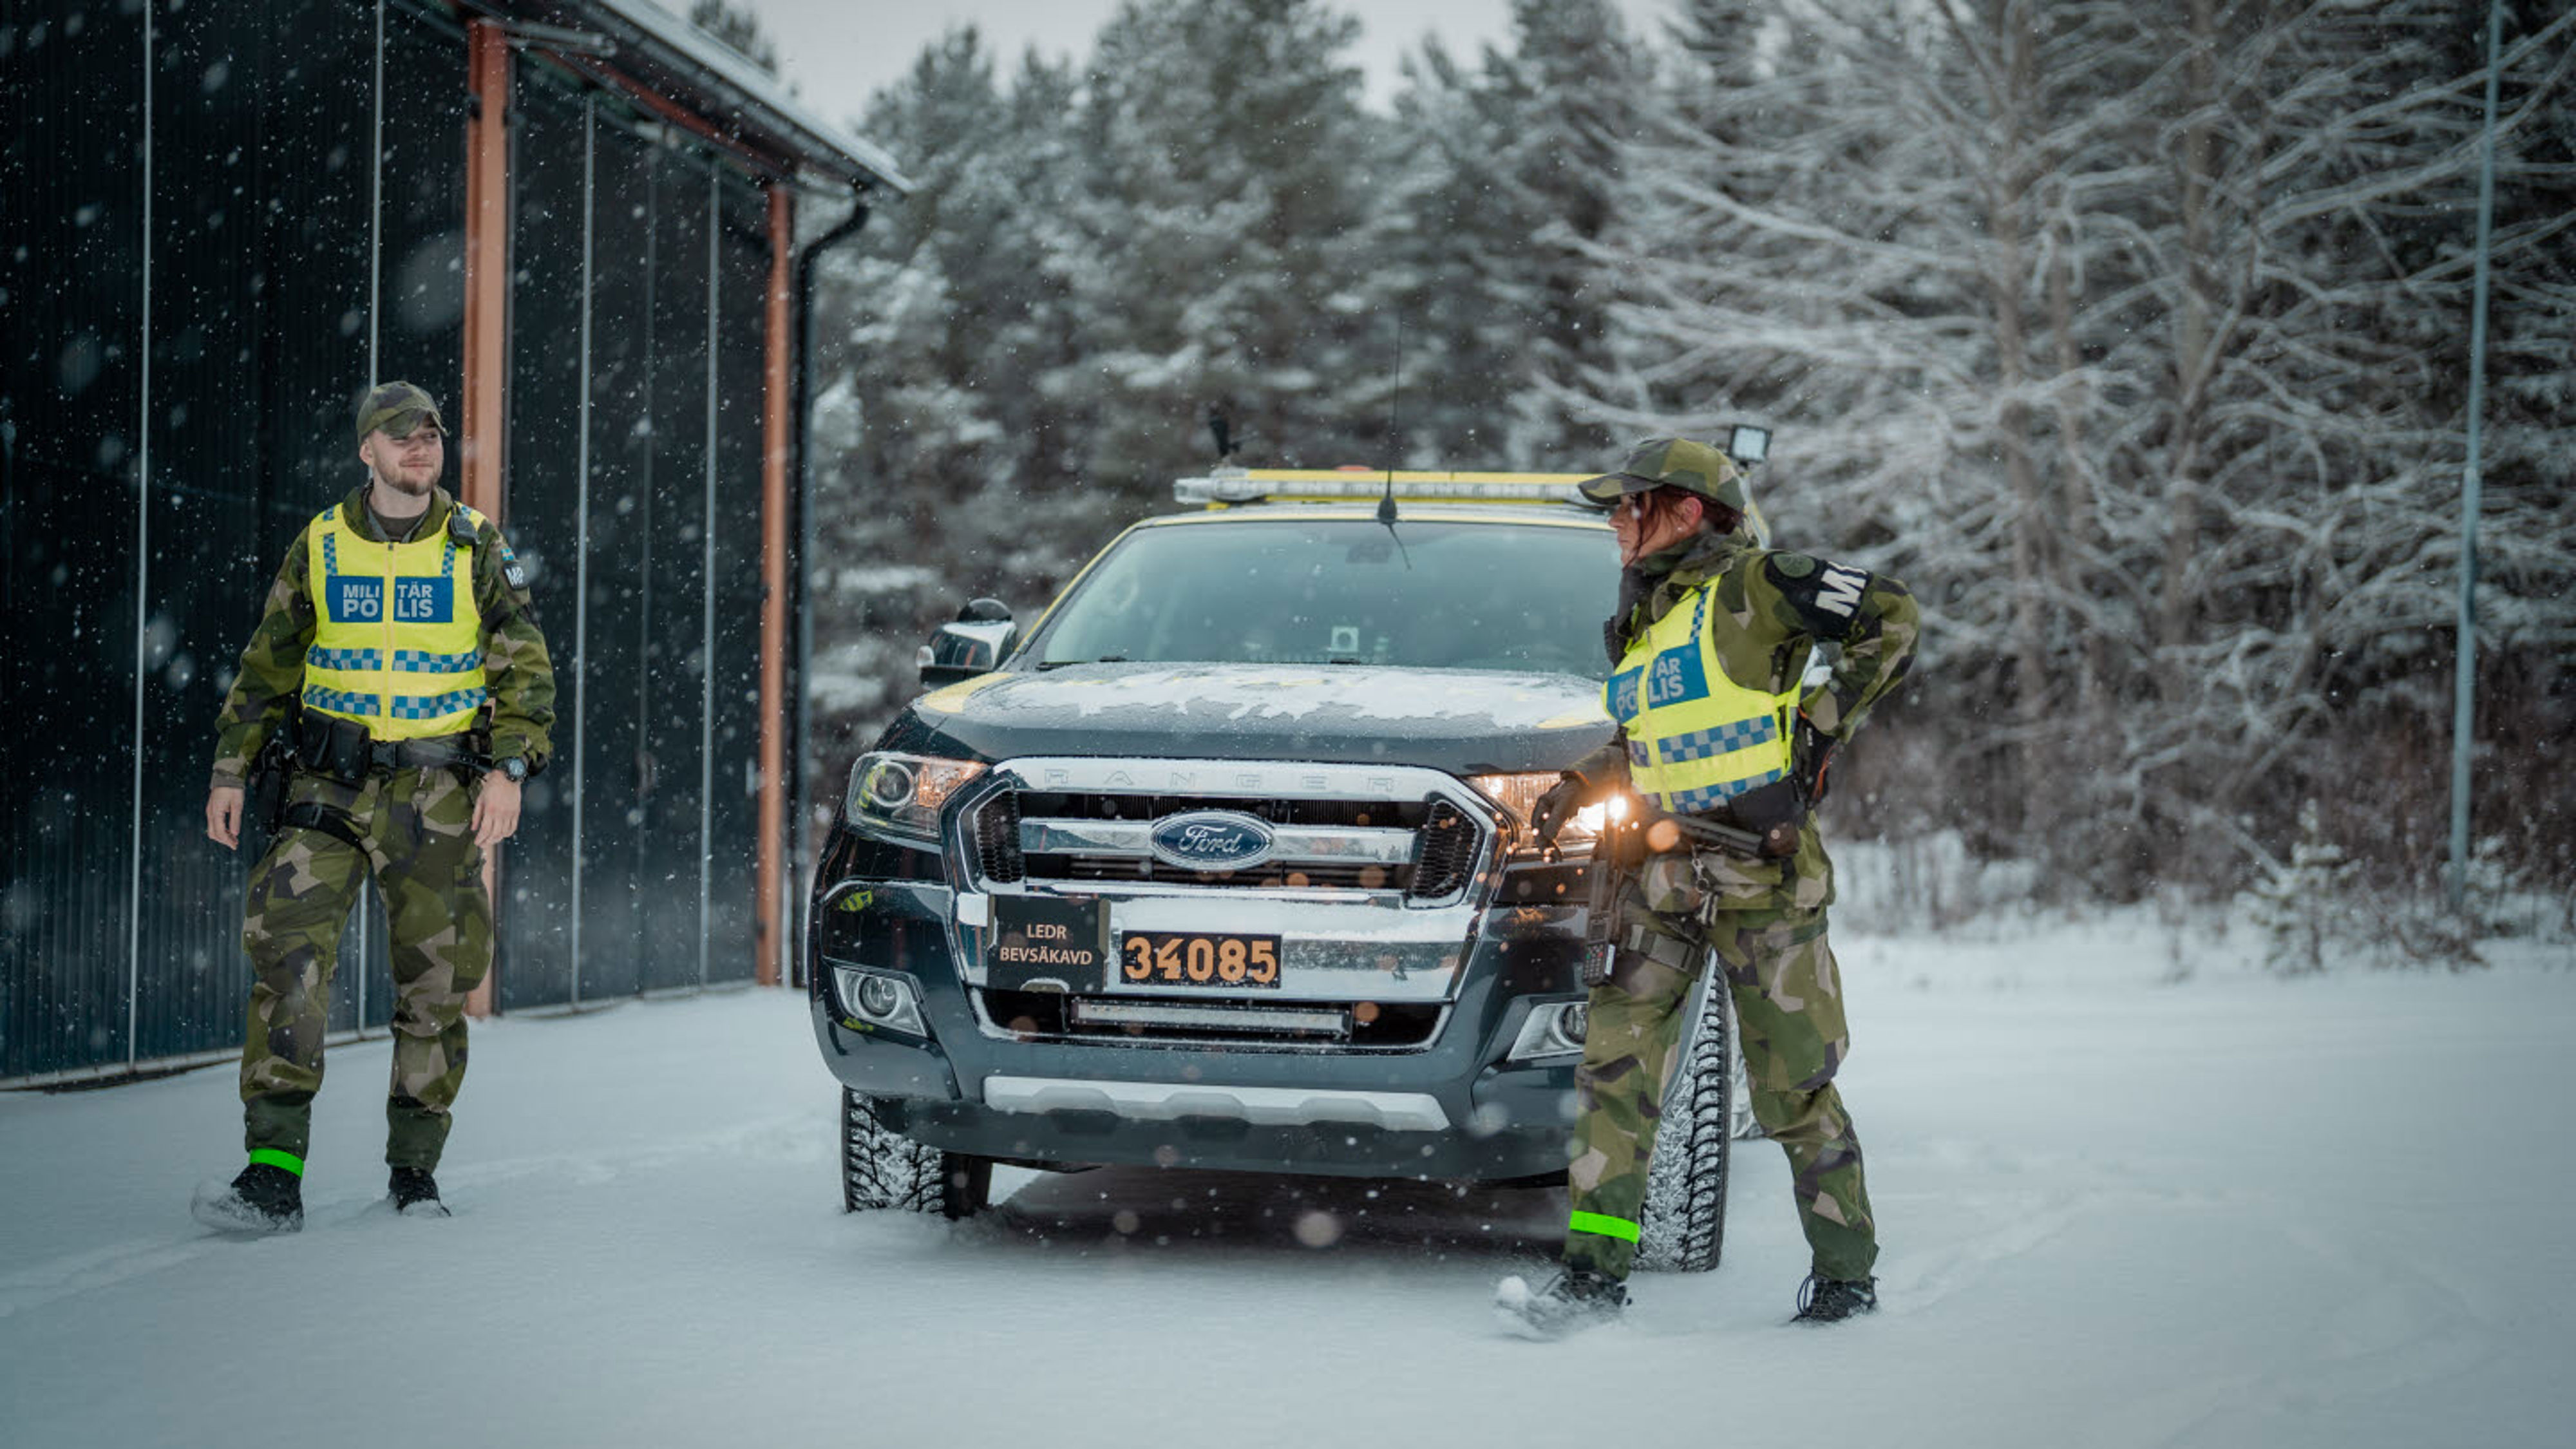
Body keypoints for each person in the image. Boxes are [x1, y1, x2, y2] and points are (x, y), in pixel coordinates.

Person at [1497, 437, 1917, 1334]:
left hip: (1764, 884)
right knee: (1615, 1074)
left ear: (1686, 511)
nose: (1615, 521)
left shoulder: (1763, 585)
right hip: (1658, 879)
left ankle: (1847, 1279)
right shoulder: (1650, 620)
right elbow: (1653, 741)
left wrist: (1818, 729)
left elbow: (1894, 615)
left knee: (1793, 1090)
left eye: (1630, 504)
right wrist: (1580, 781)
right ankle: (1593, 1275)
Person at [191, 381, 555, 1233]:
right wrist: (231, 771)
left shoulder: (474, 546)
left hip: (438, 793)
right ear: (368, 451)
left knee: (436, 982)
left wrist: (509, 769)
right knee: (289, 956)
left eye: (429, 434)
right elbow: (265, 669)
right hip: (329, 786)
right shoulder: (319, 543)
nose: (420, 448)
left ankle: (414, 1176)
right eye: (400, 437)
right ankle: (273, 1175)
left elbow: (525, 669)